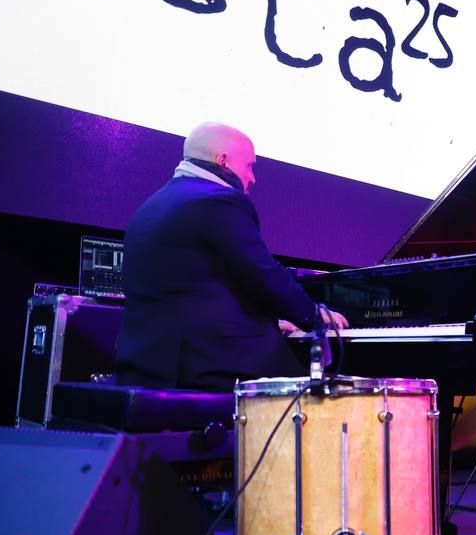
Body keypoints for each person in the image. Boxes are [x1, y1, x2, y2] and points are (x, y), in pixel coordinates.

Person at [115, 122, 347, 392]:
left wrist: (269, 322)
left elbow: (201, 287)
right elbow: (262, 274)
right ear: (222, 161)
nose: (252, 178)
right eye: (249, 166)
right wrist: (313, 315)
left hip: (146, 363)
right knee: (322, 393)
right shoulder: (219, 199)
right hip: (202, 363)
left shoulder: (153, 204)